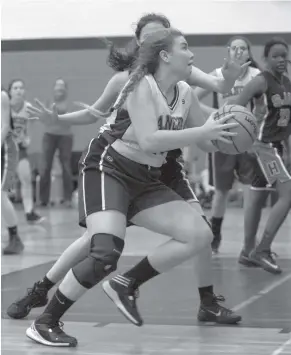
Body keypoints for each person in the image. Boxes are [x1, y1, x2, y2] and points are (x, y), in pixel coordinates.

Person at [8, 14, 248, 324]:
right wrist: (59, 121)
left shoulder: (183, 79)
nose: (162, 40)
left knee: (198, 230)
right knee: (98, 243)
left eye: (165, 33)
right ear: (143, 45)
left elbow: (218, 87)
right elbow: (94, 113)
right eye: (152, 37)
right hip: (118, 160)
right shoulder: (131, 81)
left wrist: (233, 133)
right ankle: (42, 291)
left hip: (163, 165)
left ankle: (203, 300)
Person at [194, 36, 266, 256]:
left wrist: (253, 124)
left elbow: (263, 108)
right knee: (221, 192)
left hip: (247, 141)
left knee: (249, 192)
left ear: (248, 53)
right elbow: (193, 98)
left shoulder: (257, 77)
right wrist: (215, 115)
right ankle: (215, 236)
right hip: (223, 138)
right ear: (228, 52)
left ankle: (249, 243)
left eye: (242, 48)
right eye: (234, 48)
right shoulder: (218, 75)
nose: (237, 52)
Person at [232, 37, 291, 274]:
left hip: (278, 147)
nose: (281, 59)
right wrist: (245, 140)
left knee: (257, 198)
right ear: (266, 59)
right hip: (264, 147)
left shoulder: (287, 83)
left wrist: (288, 148)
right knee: (290, 192)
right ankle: (262, 249)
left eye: (284, 55)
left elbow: (286, 118)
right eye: (275, 56)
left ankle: (247, 252)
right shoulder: (260, 81)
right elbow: (235, 109)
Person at [8, 79, 44, 223]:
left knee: (26, 179)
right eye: (15, 88)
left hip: (19, 149)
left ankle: (29, 212)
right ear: (9, 92)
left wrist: (27, 138)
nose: (18, 90)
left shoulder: (27, 107)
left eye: (21, 88)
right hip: (4, 149)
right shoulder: (4, 106)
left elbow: (31, 125)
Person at [40, 78, 74, 207]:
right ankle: (43, 200)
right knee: (45, 166)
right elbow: (44, 118)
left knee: (66, 166)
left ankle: (68, 199)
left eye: (62, 86)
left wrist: (56, 117)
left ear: (65, 89)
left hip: (65, 136)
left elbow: (70, 119)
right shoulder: (48, 102)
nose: (59, 88)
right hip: (49, 135)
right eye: (57, 86)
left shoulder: (69, 103)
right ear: (54, 88)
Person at [1, 88, 24, 254]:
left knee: (0, 195)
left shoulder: (2, 95)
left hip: (6, 149)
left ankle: (15, 238)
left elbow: (5, 126)